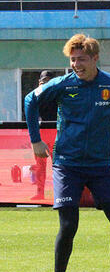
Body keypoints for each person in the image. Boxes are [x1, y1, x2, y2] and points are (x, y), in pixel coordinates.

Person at [24, 34, 110, 272]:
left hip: (101, 166)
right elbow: (31, 101)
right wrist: (35, 139)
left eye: (81, 59)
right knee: (68, 227)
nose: (76, 64)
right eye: (72, 59)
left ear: (94, 58)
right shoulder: (62, 85)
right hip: (67, 165)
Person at [30, 70, 58, 200]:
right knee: (40, 166)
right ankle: (40, 192)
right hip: (41, 136)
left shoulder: (58, 95)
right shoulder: (35, 96)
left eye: (47, 82)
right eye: (43, 82)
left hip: (56, 135)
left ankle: (60, 193)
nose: (44, 84)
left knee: (58, 166)